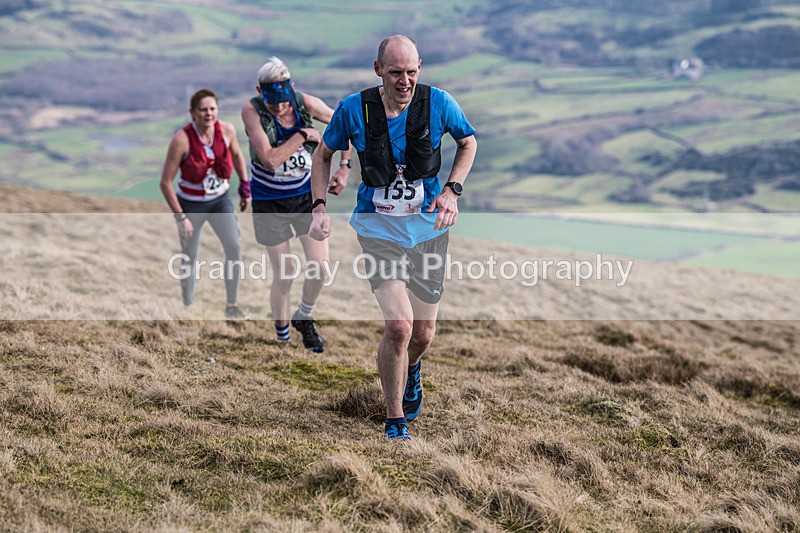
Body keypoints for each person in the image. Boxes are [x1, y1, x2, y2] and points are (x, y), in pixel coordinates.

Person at [309, 35, 477, 440]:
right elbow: (322, 155)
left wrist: (452, 190)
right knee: (400, 326)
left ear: (420, 67)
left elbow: (468, 142)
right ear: (378, 69)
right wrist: (317, 206)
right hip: (378, 228)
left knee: (422, 334)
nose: (405, 81)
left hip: (428, 230)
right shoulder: (355, 109)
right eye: (396, 72)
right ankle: (394, 417)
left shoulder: (438, 103)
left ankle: (412, 368)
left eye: (412, 72)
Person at [242, 56, 352, 352]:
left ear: (291, 87)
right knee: (286, 273)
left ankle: (304, 316)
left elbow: (346, 124)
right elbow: (269, 158)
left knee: (320, 268)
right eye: (272, 101)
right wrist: (304, 134)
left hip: (305, 197)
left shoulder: (306, 103)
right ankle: (282, 338)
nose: (279, 107)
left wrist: (344, 166)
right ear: (259, 90)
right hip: (269, 202)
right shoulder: (252, 110)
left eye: (284, 99)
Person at [160, 88, 250, 318]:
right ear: (193, 113)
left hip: (220, 201)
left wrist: (244, 185)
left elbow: (238, 155)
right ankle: (187, 306)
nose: (208, 114)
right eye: (203, 110)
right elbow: (165, 183)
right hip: (191, 205)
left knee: (234, 247)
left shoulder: (227, 130)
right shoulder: (181, 140)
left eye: (212, 109)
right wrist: (181, 217)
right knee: (190, 255)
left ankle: (232, 306)